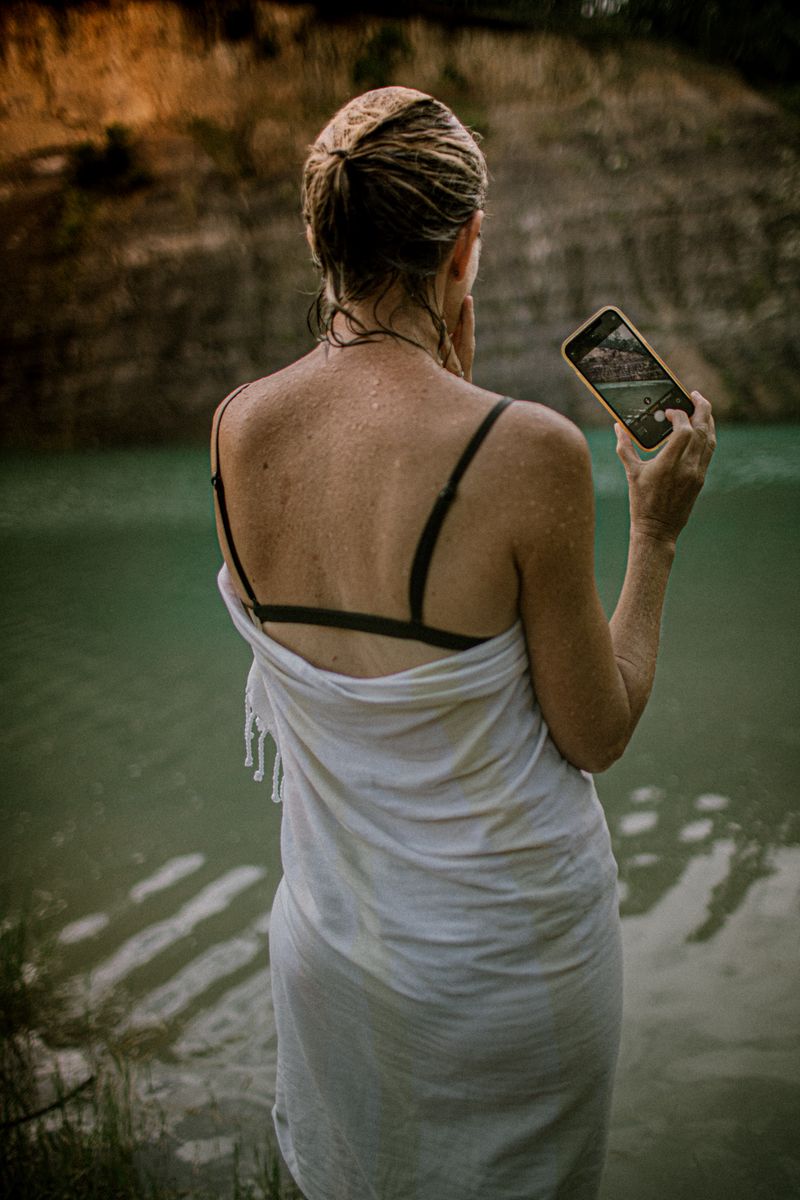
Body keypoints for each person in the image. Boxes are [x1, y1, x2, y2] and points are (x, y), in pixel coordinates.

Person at [211, 86, 715, 1200]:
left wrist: (447, 379)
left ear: (320, 241)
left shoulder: (240, 427)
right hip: (502, 971)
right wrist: (656, 534)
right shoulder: (525, 451)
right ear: (466, 243)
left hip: (332, 954)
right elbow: (595, 731)